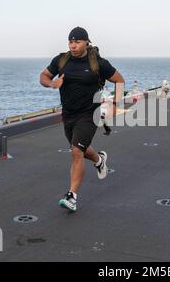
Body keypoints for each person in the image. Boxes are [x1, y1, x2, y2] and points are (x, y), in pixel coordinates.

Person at [39, 27, 125, 212]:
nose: (73, 45)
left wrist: (115, 104)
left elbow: (119, 80)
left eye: (77, 42)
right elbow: (43, 76)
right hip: (68, 114)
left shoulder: (98, 63)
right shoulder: (61, 60)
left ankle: (72, 196)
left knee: (76, 152)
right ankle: (99, 160)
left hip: (89, 114)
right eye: (70, 42)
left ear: (86, 42)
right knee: (81, 149)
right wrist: (52, 83)